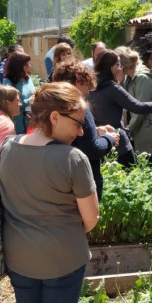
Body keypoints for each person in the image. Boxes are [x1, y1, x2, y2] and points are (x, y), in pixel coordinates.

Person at [0, 82, 99, 303]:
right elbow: (90, 219)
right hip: (62, 261)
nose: (82, 129)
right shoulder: (73, 159)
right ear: (54, 117)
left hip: (19, 261)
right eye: (77, 121)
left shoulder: (8, 148)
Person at [88, 50, 152, 167]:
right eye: (118, 65)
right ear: (110, 67)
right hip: (118, 143)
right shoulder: (112, 88)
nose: (120, 68)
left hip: (101, 142)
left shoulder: (92, 86)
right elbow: (138, 107)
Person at [52, 60, 118, 199]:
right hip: (84, 182)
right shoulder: (79, 108)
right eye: (85, 84)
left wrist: (95, 130)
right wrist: (110, 138)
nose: (88, 91)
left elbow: (78, 137)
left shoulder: (53, 106)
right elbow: (93, 149)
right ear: (76, 81)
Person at [117, 46, 152, 165]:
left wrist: (128, 130)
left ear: (122, 65)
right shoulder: (130, 77)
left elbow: (140, 109)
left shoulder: (141, 78)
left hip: (148, 129)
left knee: (147, 168)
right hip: (141, 129)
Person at [2, 52, 35, 135]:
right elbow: (9, 105)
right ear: (18, 66)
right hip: (18, 124)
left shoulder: (28, 78)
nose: (29, 66)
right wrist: (27, 101)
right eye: (26, 64)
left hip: (31, 121)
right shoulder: (8, 82)